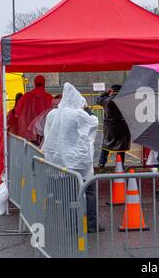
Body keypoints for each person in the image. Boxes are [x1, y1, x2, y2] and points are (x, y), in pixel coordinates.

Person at [42, 83, 104, 233]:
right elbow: (94, 122)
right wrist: (88, 109)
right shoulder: (77, 114)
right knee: (88, 191)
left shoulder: (52, 114)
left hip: (58, 160)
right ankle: (91, 223)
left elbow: (47, 134)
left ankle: (71, 225)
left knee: (66, 195)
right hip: (78, 160)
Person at [96, 85, 131, 169]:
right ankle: (120, 166)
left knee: (106, 146)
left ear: (111, 90)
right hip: (122, 127)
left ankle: (101, 163)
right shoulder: (125, 100)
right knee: (120, 149)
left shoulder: (106, 100)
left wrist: (106, 93)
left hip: (109, 128)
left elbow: (98, 100)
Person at [15, 75, 53, 144]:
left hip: (27, 134)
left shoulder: (25, 97)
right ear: (44, 83)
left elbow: (16, 113)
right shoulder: (49, 98)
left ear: (34, 83)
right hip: (44, 135)